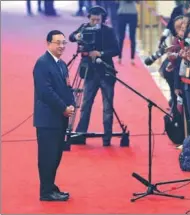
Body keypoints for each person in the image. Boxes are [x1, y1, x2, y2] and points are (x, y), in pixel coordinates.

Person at [33, 30, 75, 201]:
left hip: (60, 118)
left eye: (64, 43)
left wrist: (71, 103)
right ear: (48, 43)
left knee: (56, 155)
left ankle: (51, 186)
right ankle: (45, 192)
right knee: (47, 156)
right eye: (57, 42)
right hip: (48, 119)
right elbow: (46, 92)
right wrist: (63, 108)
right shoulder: (42, 63)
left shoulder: (62, 64)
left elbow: (67, 87)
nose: (61, 46)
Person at [69, 6, 120, 146]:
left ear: (103, 19)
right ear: (89, 18)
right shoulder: (84, 27)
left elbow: (117, 49)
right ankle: (80, 134)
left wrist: (101, 54)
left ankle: (107, 138)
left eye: (98, 19)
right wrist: (77, 36)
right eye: (93, 19)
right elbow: (71, 37)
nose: (95, 22)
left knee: (107, 107)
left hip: (106, 72)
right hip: (90, 73)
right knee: (85, 105)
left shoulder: (108, 31)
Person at [117, 0, 138, 65]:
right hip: (122, 13)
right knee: (121, 37)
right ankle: (119, 57)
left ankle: (132, 58)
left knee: (132, 37)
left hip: (133, 14)